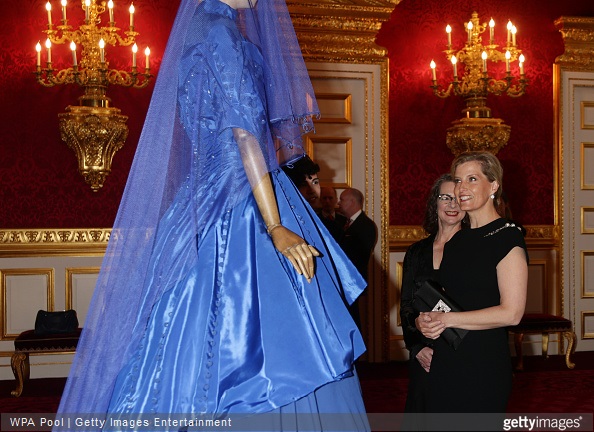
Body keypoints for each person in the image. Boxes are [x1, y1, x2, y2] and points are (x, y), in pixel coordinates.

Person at [55, 0, 369, 429]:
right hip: (241, 198)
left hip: (203, 200)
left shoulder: (199, 31)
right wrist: (275, 226)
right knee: (270, 337)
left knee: (182, 330)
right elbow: (245, 134)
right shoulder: (221, 33)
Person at [417, 151, 528, 422]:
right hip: (447, 359)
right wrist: (426, 321)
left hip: (484, 364)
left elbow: (511, 313)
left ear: (493, 186)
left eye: (472, 179)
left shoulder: (508, 236)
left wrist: (447, 319)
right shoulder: (456, 242)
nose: (461, 188)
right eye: (458, 180)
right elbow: (447, 300)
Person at [399, 174, 466, 428]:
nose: (452, 205)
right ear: (434, 203)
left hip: (463, 351)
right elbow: (406, 304)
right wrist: (417, 348)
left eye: (459, 198)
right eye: (445, 197)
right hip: (424, 352)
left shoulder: (475, 250)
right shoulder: (416, 252)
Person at [338, 188, 378, 328]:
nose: (339, 203)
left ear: (352, 201)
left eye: (342, 199)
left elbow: (357, 257)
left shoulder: (365, 225)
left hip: (354, 285)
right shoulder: (345, 223)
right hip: (346, 285)